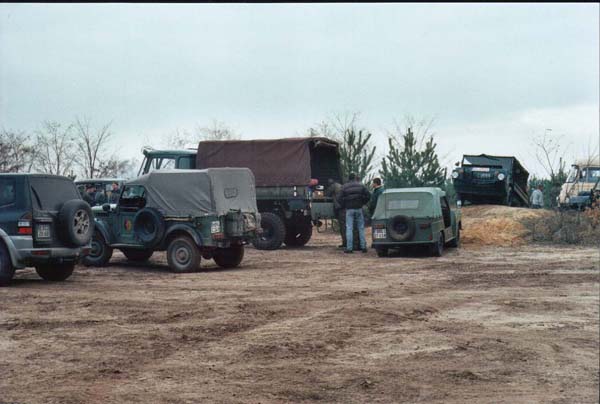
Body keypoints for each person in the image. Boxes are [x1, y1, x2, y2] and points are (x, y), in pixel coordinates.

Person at [338, 173, 371, 253]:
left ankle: (349, 248)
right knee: (361, 228)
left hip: (349, 209)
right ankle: (363, 247)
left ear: (348, 178)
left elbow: (339, 198)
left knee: (349, 228)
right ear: (355, 178)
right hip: (359, 208)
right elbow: (368, 195)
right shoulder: (361, 186)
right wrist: (362, 203)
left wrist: (345, 204)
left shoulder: (344, 187)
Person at [326, 178, 346, 248]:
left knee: (343, 227)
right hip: (345, 207)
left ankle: (345, 243)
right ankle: (348, 243)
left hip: (340, 207)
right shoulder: (340, 185)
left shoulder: (333, 186)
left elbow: (327, 194)